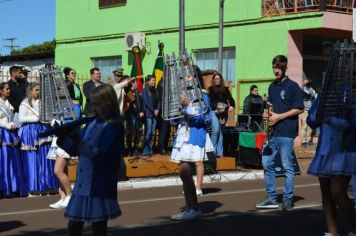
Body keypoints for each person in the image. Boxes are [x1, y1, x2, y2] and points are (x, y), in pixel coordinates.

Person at [57, 84, 124, 236]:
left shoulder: (114, 127)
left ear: (107, 103)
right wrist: (64, 137)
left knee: (98, 227)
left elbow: (101, 155)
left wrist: (76, 139)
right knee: (74, 227)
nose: (93, 108)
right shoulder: (91, 122)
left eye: (96, 104)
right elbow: (77, 150)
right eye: (92, 103)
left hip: (99, 183)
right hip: (83, 183)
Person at [256, 55, 304, 210]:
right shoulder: (272, 86)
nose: (276, 70)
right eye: (274, 67)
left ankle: (288, 198)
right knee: (266, 163)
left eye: (279, 68)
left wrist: (279, 117)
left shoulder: (293, 86)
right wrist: (268, 115)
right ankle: (271, 197)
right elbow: (271, 107)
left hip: (286, 132)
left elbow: (299, 108)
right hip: (273, 133)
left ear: (285, 68)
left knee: (287, 166)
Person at [307, 96, 356, 236]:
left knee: (337, 191)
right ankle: (332, 232)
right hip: (325, 149)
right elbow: (311, 121)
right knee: (326, 194)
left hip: (344, 149)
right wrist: (319, 113)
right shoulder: (324, 94)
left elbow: (353, 121)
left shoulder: (351, 92)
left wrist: (332, 119)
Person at [170, 85, 210, 220]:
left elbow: (201, 118)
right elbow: (174, 121)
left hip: (194, 137)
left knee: (185, 170)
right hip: (183, 139)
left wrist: (187, 105)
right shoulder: (182, 93)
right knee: (184, 173)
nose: (186, 78)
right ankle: (189, 208)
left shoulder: (201, 96)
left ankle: (194, 208)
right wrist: (175, 113)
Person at [18, 82, 57, 196]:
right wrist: (36, 118)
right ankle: (33, 186)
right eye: (36, 90)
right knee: (33, 159)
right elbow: (21, 118)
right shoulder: (24, 104)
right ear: (30, 91)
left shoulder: (42, 102)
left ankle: (47, 185)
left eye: (39, 90)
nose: (38, 92)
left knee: (45, 158)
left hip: (43, 130)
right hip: (30, 131)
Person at [0, 82, 27, 197]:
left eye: (9, 89)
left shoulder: (8, 102)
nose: (9, 90)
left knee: (14, 160)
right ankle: (5, 188)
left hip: (11, 133)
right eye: (6, 89)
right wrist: (6, 125)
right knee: (4, 160)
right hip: (2, 132)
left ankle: (14, 187)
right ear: (1, 90)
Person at [208, 71, 235, 158]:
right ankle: (212, 152)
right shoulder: (211, 89)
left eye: (218, 78)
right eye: (216, 78)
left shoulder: (225, 89)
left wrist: (232, 106)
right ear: (213, 80)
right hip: (214, 112)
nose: (217, 80)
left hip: (224, 113)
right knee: (215, 131)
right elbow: (211, 102)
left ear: (221, 79)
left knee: (221, 132)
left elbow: (231, 100)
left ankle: (220, 153)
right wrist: (216, 109)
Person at [124, 80, 144, 156]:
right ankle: (129, 149)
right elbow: (131, 106)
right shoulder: (128, 92)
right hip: (132, 115)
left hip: (139, 116)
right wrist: (138, 113)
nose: (137, 84)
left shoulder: (137, 92)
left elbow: (142, 103)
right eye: (135, 83)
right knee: (130, 132)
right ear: (132, 84)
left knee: (139, 132)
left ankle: (136, 149)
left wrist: (142, 111)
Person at [142, 75, 159, 156]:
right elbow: (146, 102)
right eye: (152, 80)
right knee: (148, 132)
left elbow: (159, 101)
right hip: (149, 114)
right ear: (148, 81)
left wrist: (158, 109)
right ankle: (145, 149)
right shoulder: (145, 90)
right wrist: (153, 110)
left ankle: (150, 148)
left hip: (155, 114)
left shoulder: (155, 90)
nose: (154, 82)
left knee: (152, 132)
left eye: (154, 80)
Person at [300, 78, 316, 148]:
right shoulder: (302, 88)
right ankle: (303, 141)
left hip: (310, 110)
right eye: (307, 83)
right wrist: (304, 83)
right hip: (304, 111)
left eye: (309, 82)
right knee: (304, 126)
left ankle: (308, 140)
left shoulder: (311, 89)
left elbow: (315, 96)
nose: (308, 83)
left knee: (310, 126)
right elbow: (302, 90)